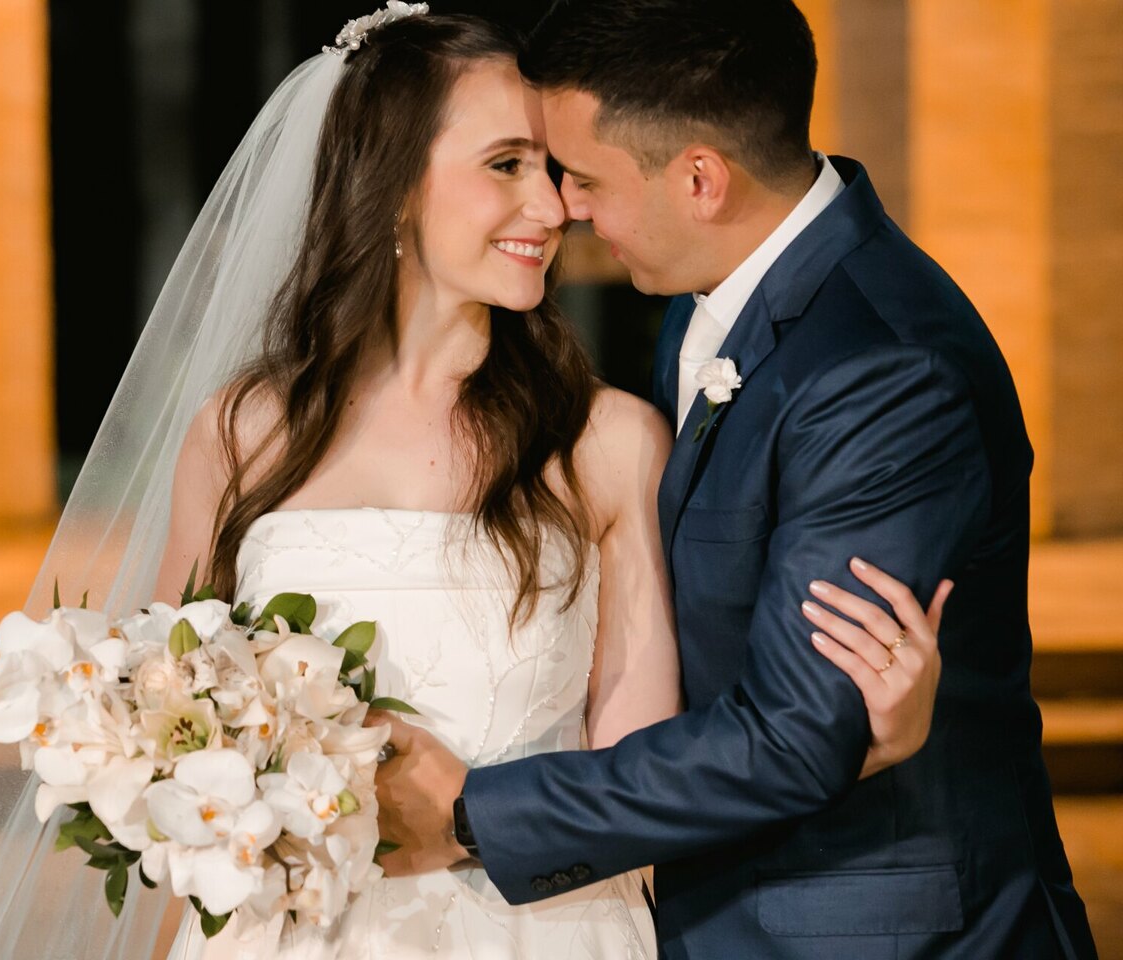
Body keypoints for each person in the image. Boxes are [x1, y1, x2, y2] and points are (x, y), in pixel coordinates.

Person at [0, 8, 947, 960]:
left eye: (556, 169)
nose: (553, 204)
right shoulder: (243, 436)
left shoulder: (608, 443)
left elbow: (643, 783)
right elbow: (165, 738)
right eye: (507, 165)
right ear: (391, 187)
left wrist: (850, 745)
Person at [373, 2, 1100, 959]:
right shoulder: (715, 298)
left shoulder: (881, 370)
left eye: (584, 177)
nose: (566, 209)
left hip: (867, 931)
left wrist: (471, 814)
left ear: (701, 178)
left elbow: (800, 733)